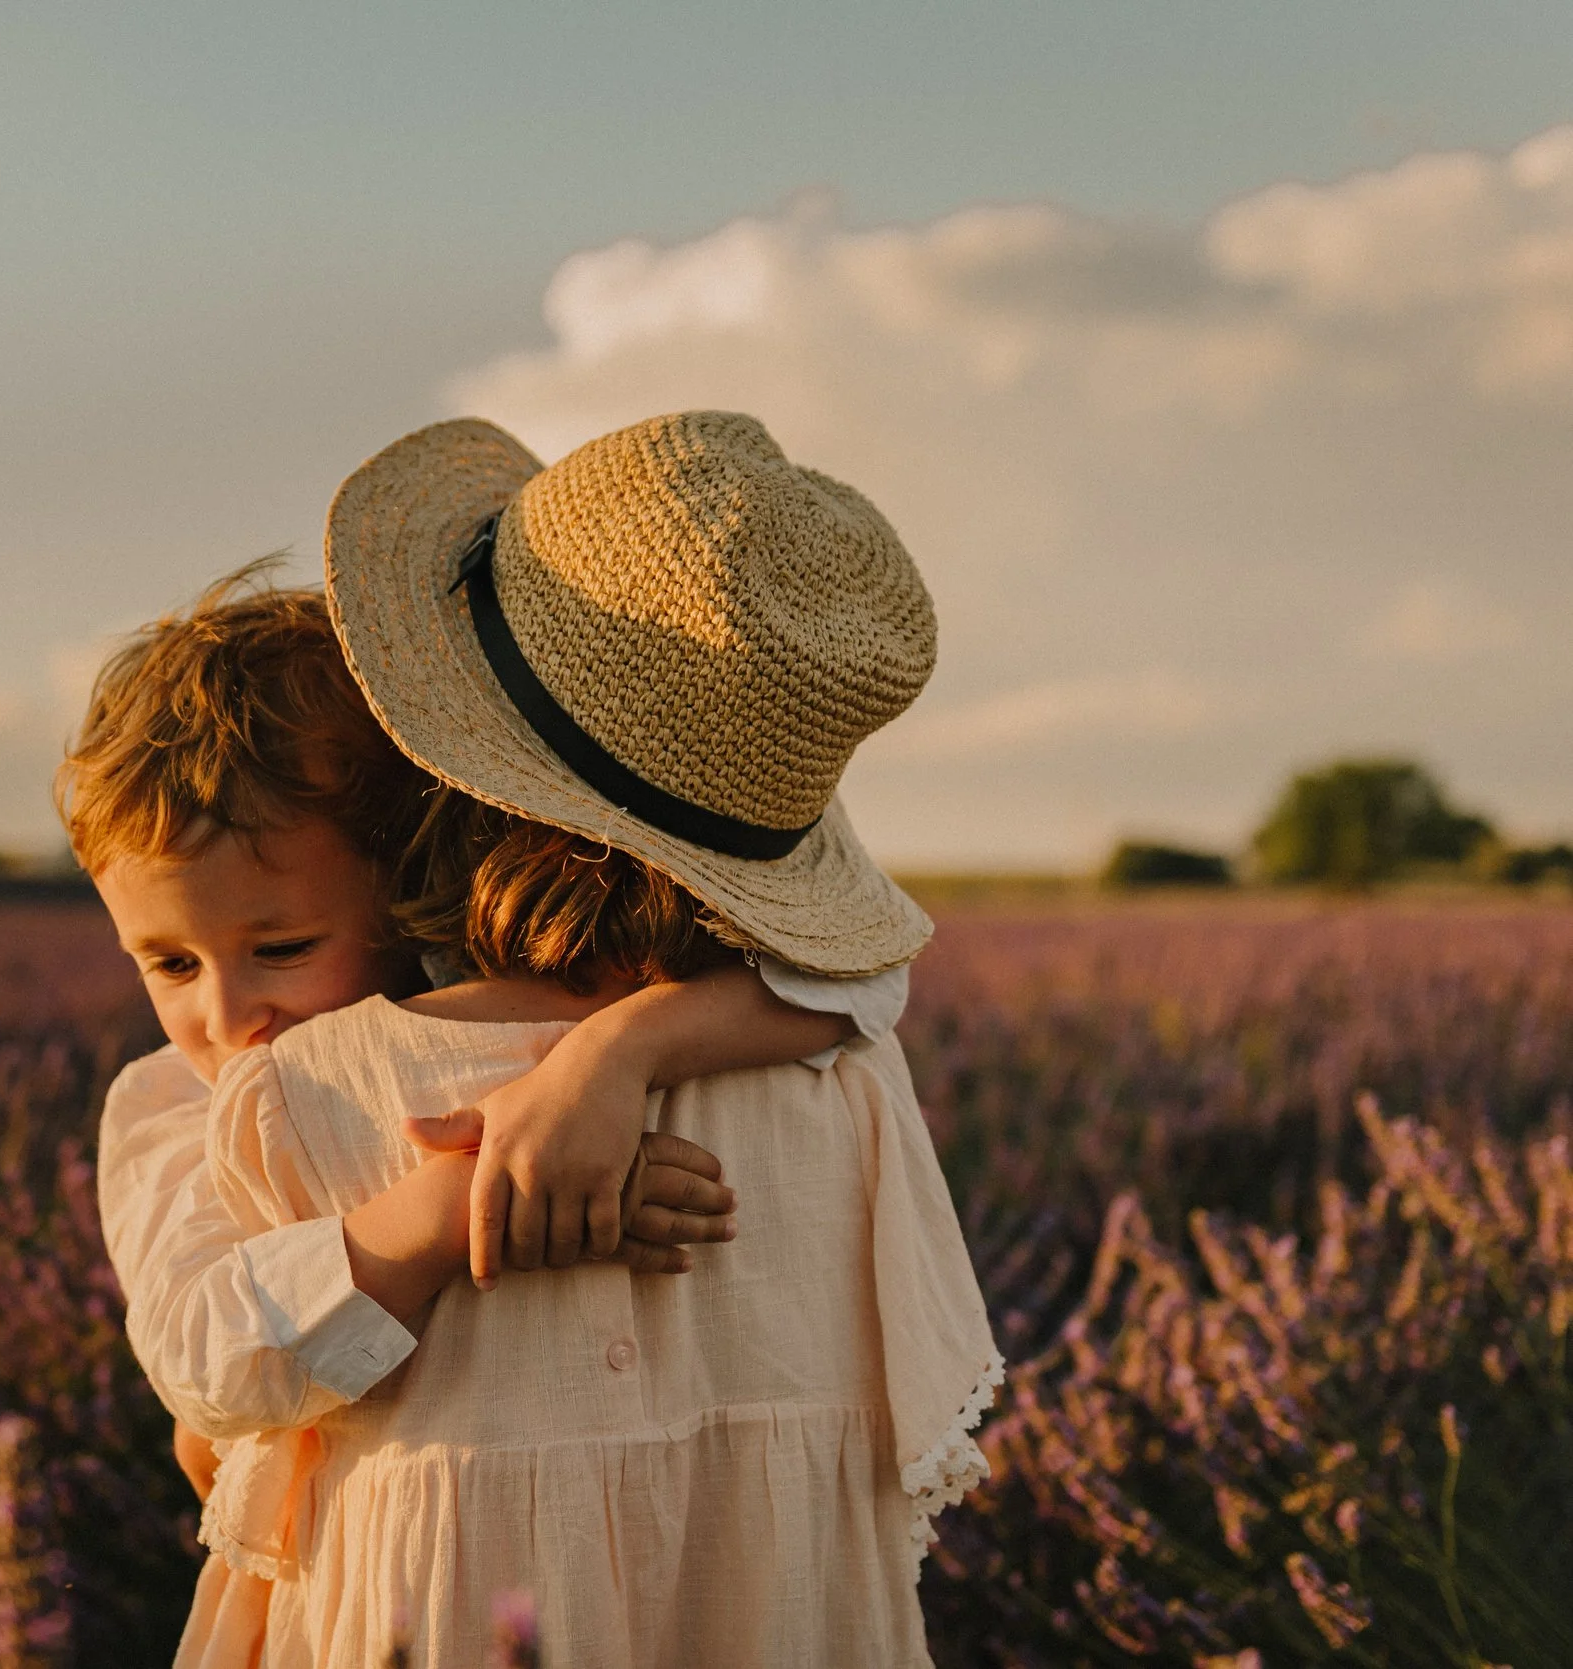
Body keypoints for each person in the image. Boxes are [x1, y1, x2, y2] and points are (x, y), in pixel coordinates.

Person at [173, 411, 1000, 1666]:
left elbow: (214, 1418)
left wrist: (511, 1156)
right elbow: (860, 984)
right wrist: (627, 1052)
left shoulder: (308, 1094)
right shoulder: (843, 1073)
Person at [59, 576, 909, 1663]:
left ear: (400, 889)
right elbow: (202, 1359)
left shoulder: (510, 1008)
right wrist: (462, 1200)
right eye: (167, 963)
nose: (226, 1015)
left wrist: (617, 1056)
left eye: (280, 949)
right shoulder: (172, 1103)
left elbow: (855, 976)